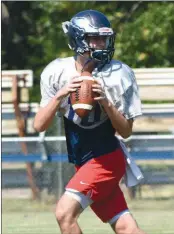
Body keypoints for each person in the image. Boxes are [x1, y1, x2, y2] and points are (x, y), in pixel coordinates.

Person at [34, 9, 146, 234]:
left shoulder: (119, 74)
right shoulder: (56, 72)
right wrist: (60, 95)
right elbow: (39, 125)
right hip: (82, 161)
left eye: (104, 38)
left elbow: (126, 132)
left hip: (106, 158)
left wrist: (106, 102)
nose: (102, 44)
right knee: (126, 228)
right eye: (94, 38)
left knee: (64, 214)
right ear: (77, 40)